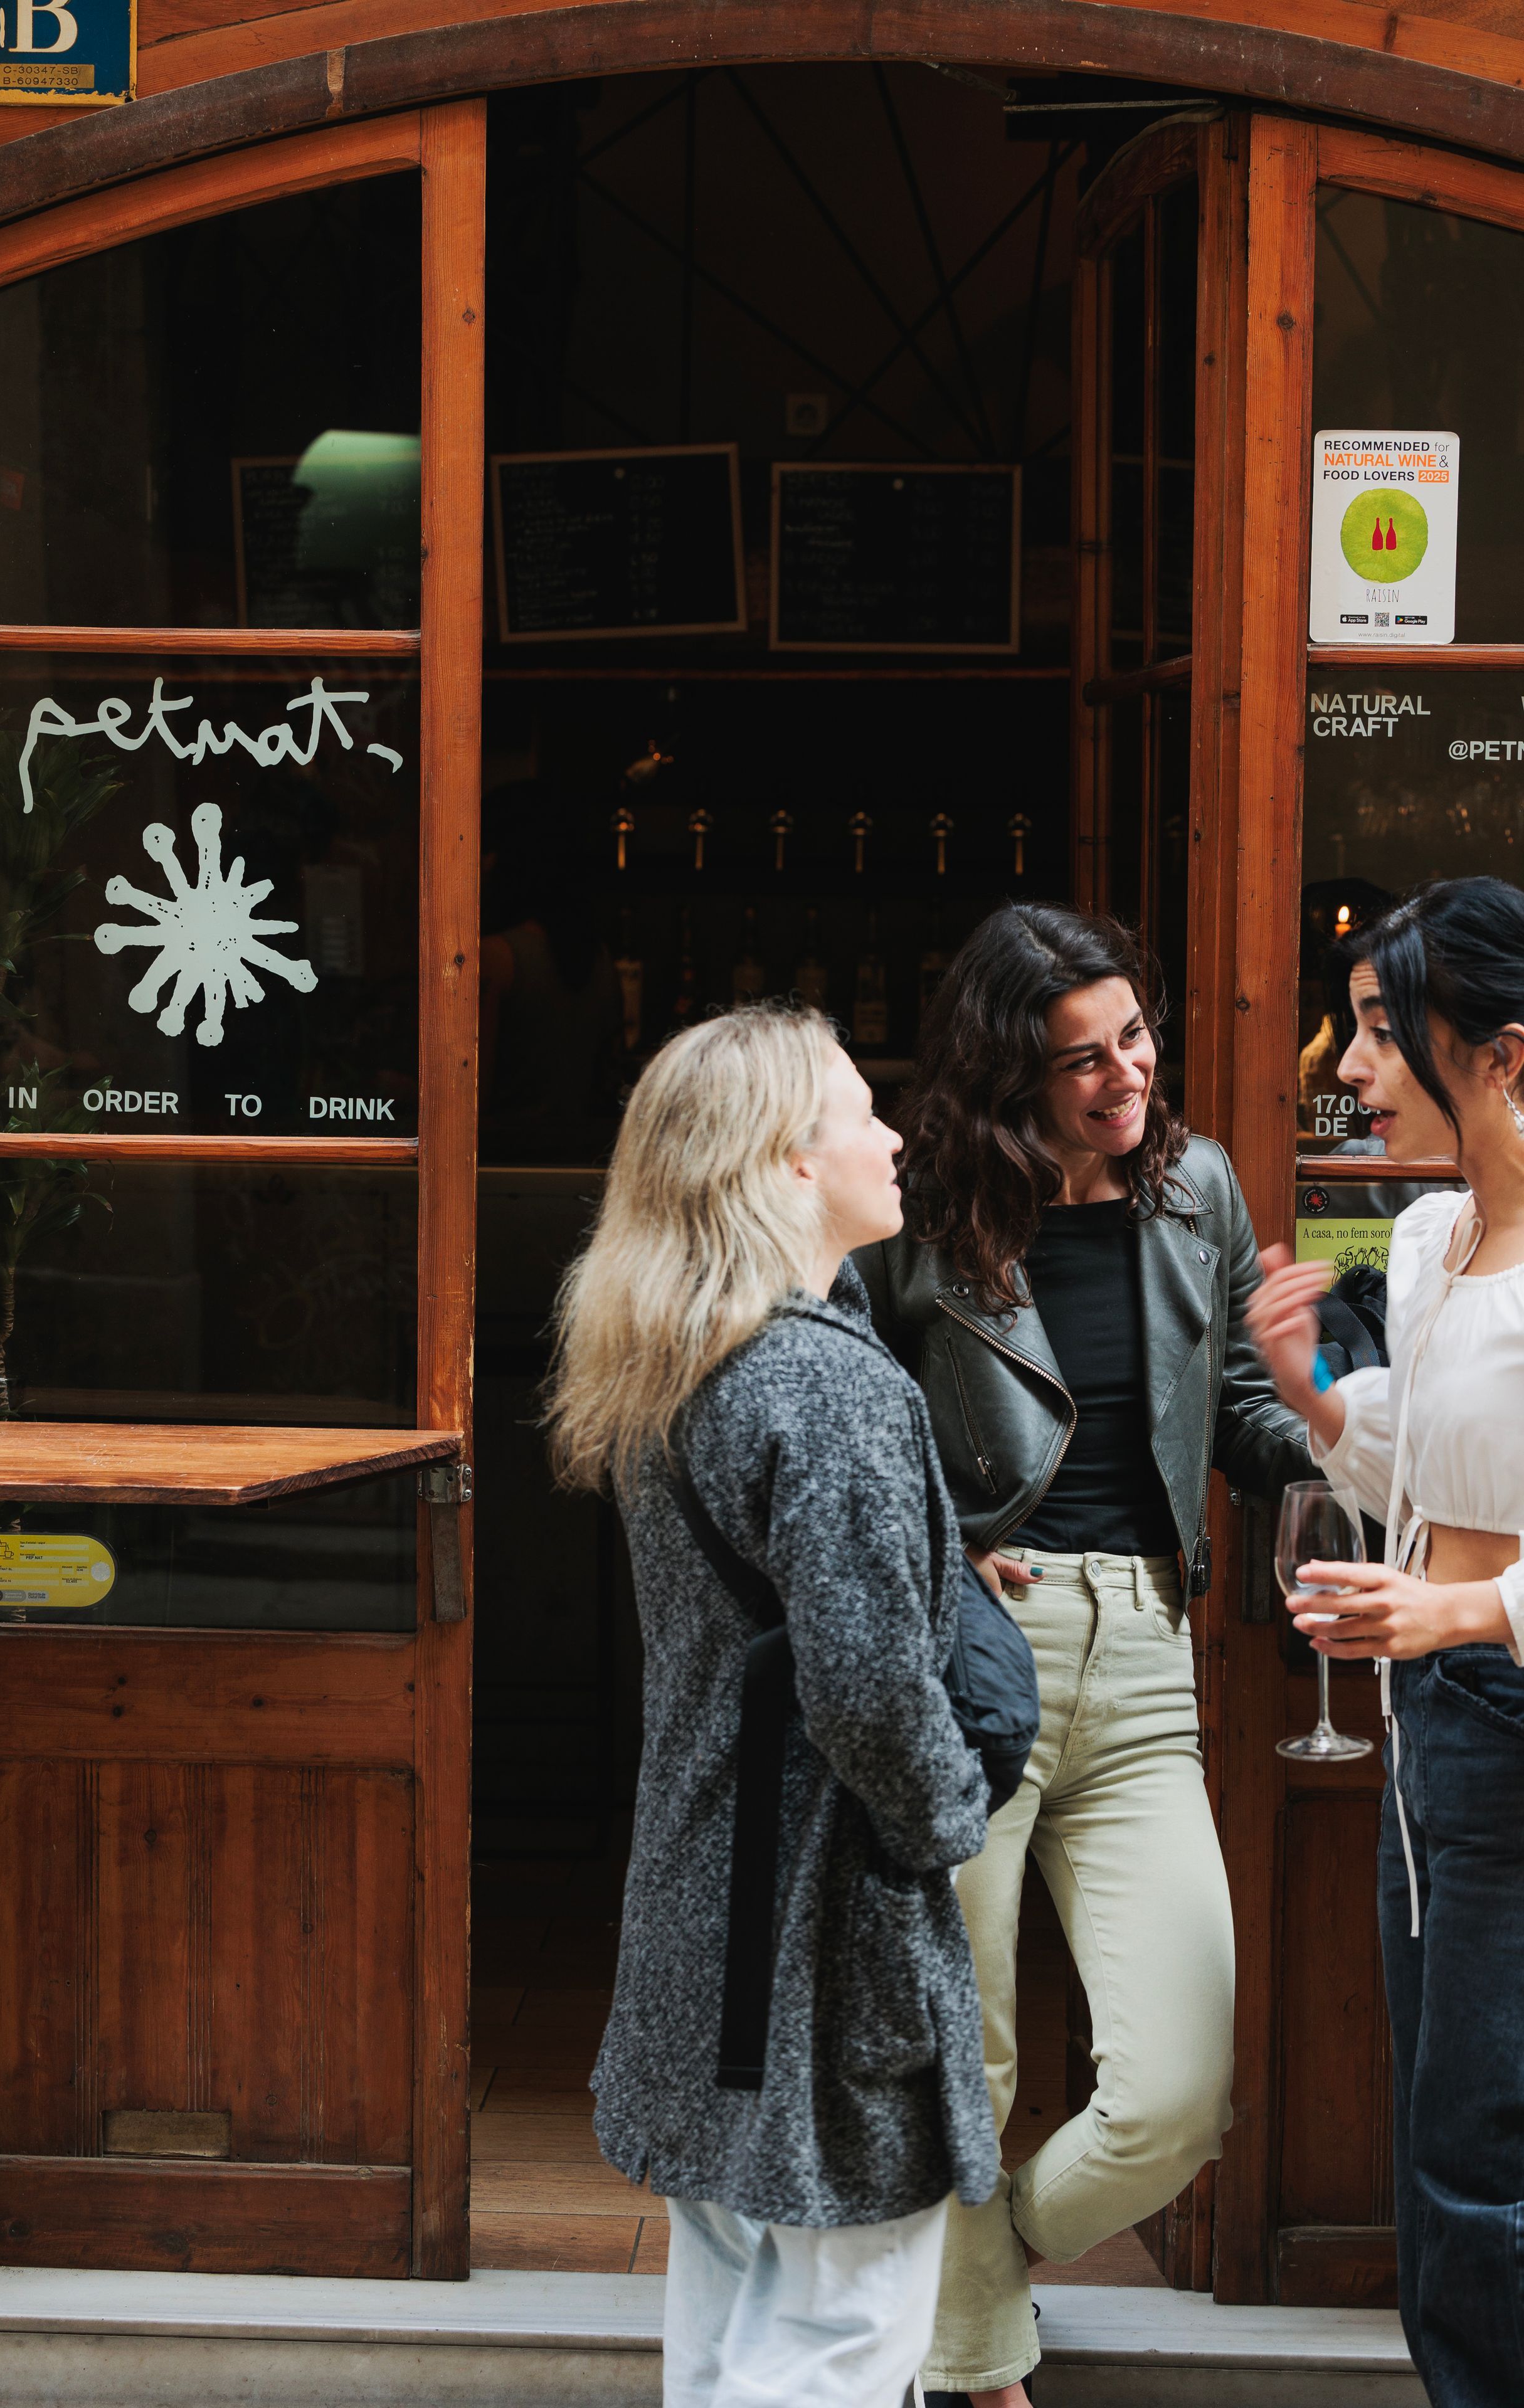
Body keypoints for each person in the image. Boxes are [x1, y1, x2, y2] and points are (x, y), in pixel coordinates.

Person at [855, 903, 1310, 2408]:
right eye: (1080, 1059)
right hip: (969, 1650)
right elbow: (840, 1414)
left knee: (1181, 2085)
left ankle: (956, 2265)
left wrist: (1337, 1439)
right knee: (961, 2048)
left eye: (1133, 1036)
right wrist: (932, 1539)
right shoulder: (916, 1208)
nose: (1125, 1076)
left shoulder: (1194, 1189)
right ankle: (978, 2369)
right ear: (1005, 1075)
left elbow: (1239, 1407)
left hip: (1143, 1653)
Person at [546, 1004, 1000, 2408]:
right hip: (821, 1936)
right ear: (786, 1164)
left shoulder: (682, 1363)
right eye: (862, 1110)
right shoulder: (825, 1385)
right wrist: (949, 1820)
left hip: (706, 1919)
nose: (892, 1134)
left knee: (731, 2329)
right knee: (838, 2344)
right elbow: (865, 1690)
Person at [1246, 875, 1524, 2408]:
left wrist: (1466, 1611)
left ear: (1500, 1053)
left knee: (1482, 2144)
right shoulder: (1425, 1241)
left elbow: (1465, 1560)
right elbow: (1412, 1472)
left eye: (1375, 1031)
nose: (1345, 1068)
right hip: (1433, 1710)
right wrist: (1309, 1393)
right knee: (1439, 2130)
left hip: (1495, 1695)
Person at [479, 778, 622, 1161]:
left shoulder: (496, 957)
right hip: (574, 1164)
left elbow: (471, 1098)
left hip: (499, 1167)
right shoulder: (597, 955)